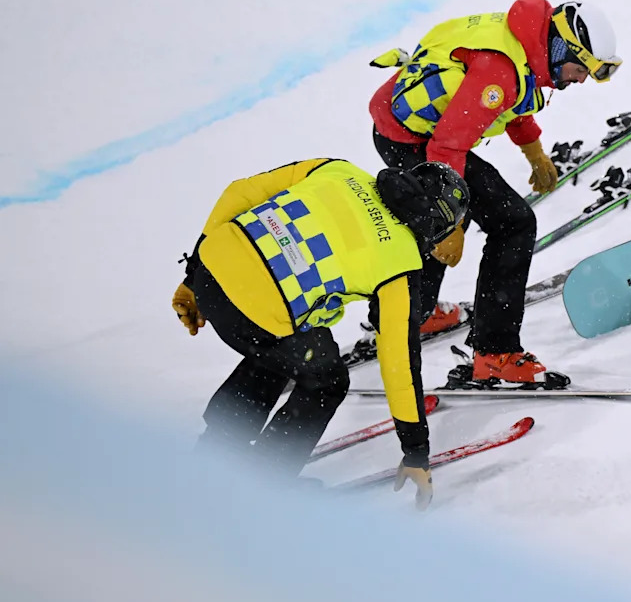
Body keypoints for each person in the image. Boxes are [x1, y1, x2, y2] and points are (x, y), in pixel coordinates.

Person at [171, 158, 468, 509]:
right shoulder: (401, 263)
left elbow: (239, 192)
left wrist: (194, 277)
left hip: (211, 274)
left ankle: (218, 446)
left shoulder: (340, 170)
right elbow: (398, 361)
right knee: (325, 377)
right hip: (256, 315)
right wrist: (416, 450)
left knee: (292, 343)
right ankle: (262, 481)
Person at [363, 0, 622, 388]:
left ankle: (415, 312)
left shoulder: (527, 42)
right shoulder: (498, 72)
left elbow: (518, 95)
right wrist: (448, 221)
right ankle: (492, 352)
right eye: (580, 67)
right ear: (561, 48)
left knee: (456, 218)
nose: (581, 78)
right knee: (510, 224)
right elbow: (447, 148)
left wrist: (534, 151)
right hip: (414, 140)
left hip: (412, 127)